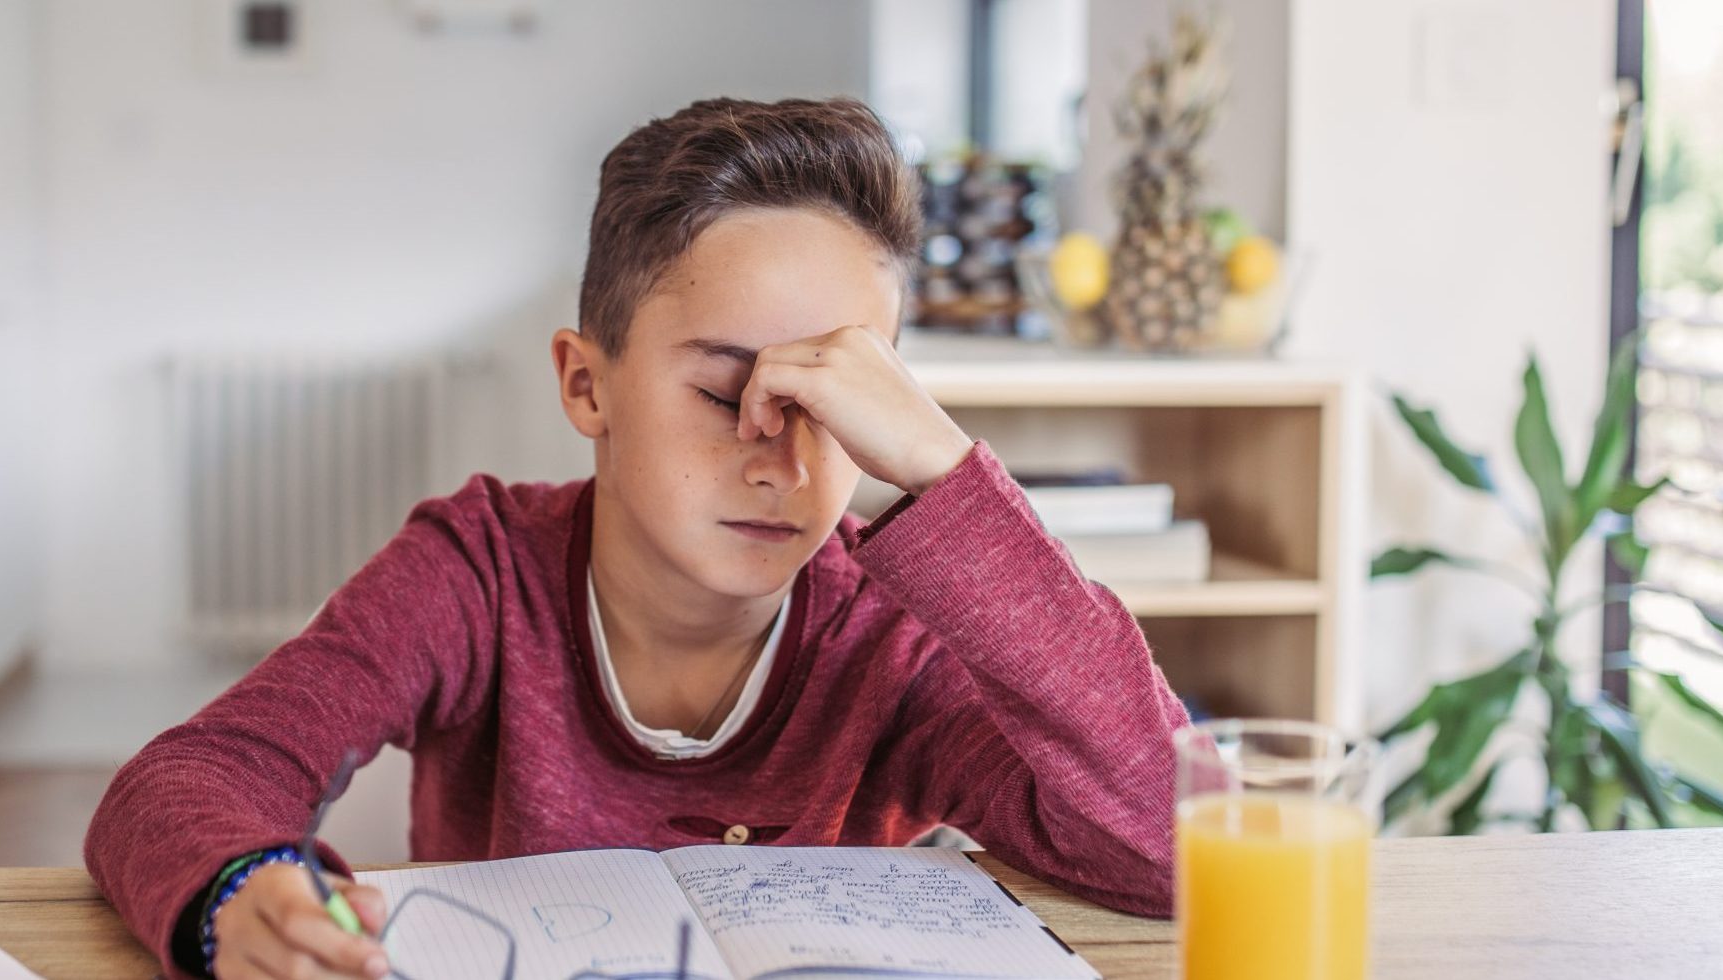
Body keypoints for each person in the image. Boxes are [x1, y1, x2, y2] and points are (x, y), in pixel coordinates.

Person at [85, 96, 1190, 980]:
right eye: (725, 394)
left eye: (839, 408)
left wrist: (949, 479)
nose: (783, 462)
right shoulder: (476, 572)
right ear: (585, 381)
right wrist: (243, 887)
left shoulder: (889, 627)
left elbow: (1179, 850)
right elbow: (193, 775)